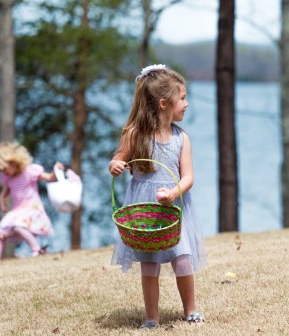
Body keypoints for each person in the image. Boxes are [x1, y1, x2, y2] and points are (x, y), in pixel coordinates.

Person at [108, 64, 207, 329]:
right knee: (149, 264)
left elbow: (188, 177)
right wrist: (115, 165)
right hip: (145, 211)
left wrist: (174, 192)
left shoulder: (181, 138)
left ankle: (191, 310)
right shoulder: (135, 134)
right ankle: (151, 317)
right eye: (182, 98)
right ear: (164, 103)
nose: (186, 103)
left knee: (183, 258)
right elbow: (118, 159)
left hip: (174, 207)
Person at [0, 142, 63, 262]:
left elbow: (49, 177)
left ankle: (37, 249)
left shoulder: (30, 171)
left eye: (4, 168)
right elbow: (4, 194)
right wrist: (2, 203)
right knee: (1, 232)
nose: (3, 172)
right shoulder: (8, 178)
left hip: (31, 208)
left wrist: (57, 170)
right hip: (17, 210)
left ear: (14, 162)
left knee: (18, 226)